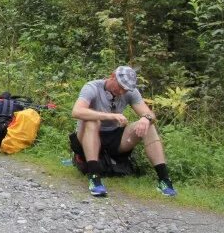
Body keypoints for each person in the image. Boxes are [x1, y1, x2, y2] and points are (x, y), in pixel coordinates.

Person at [71, 65, 177, 198]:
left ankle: (164, 180)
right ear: (112, 76)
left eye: (125, 89)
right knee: (93, 121)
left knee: (148, 125)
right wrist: (111, 116)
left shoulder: (130, 92)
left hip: (114, 137)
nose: (122, 91)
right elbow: (76, 111)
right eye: (120, 86)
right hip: (86, 135)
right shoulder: (92, 87)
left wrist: (146, 118)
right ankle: (94, 178)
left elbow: (150, 114)